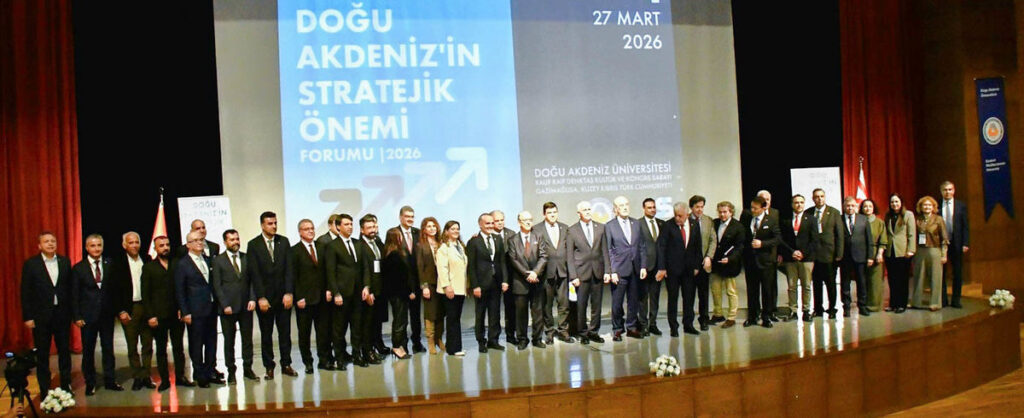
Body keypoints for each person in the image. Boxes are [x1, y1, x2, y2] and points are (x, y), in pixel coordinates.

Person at [246, 211, 297, 379]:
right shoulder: (253, 244)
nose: (274, 226)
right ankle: (269, 366)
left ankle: (286, 364)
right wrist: (260, 297)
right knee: (266, 334)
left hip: (283, 297)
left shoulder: (284, 241)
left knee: (285, 334)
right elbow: (254, 273)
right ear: (262, 225)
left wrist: (289, 292)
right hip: (265, 299)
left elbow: (289, 269)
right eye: (270, 223)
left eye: (275, 223)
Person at [20, 231, 73, 393]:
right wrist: (28, 316)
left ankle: (66, 385)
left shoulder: (65, 262)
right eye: (46, 241)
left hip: (62, 315)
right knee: (42, 354)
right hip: (41, 316)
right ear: (39, 245)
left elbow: (70, 288)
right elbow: (25, 292)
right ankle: (44, 388)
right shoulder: (31, 264)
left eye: (53, 241)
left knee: (64, 352)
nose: (50, 244)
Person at [72, 234, 123, 395]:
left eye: (99, 245)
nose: (96, 248)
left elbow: (115, 290)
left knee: (108, 349)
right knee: (88, 351)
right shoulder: (79, 268)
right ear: (87, 248)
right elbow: (74, 295)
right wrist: (77, 316)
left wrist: (118, 310)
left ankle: (110, 380)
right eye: (93, 246)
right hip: (87, 317)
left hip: (107, 315)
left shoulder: (110, 264)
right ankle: (90, 382)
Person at [141, 236, 191, 391]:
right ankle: (164, 380)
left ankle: (180, 377)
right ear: (155, 248)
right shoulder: (149, 267)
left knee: (178, 348)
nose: (165, 248)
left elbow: (183, 288)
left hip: (176, 314)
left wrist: (183, 309)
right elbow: (145, 294)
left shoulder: (177, 264)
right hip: (158, 315)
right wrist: (150, 315)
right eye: (161, 245)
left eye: (167, 245)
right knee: (161, 349)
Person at [175, 231, 224, 388]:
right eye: (195, 240)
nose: (199, 242)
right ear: (188, 244)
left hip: (210, 308)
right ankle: (199, 373)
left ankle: (210, 371)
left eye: (201, 240)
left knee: (211, 341)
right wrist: (185, 312)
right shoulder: (183, 264)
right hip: (194, 310)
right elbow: (180, 290)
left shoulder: (208, 260)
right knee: (196, 343)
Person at [210, 229, 259, 383]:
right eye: (232, 240)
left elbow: (252, 281)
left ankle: (248, 368)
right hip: (228, 309)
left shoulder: (246, 257)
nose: (235, 242)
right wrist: (224, 305)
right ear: (225, 242)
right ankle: (231, 371)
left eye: (237, 239)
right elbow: (217, 285)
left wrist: (253, 298)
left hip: (246, 306)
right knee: (229, 341)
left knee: (247, 340)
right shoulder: (218, 260)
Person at [108, 231, 155, 391]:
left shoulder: (147, 259)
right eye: (131, 242)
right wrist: (120, 311)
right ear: (124, 245)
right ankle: (137, 377)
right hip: (130, 309)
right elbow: (113, 290)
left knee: (147, 344)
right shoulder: (118, 263)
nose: (134, 245)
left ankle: (146, 375)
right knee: (132, 346)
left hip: (146, 307)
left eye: (136, 242)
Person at [324, 214, 367, 369]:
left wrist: (366, 286)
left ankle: (357, 355)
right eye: (346, 224)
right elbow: (330, 272)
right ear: (338, 226)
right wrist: (336, 293)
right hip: (342, 294)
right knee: (339, 329)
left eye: (351, 224)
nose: (350, 227)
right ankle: (340, 357)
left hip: (357, 293)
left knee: (357, 326)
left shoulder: (358, 243)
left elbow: (365, 267)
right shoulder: (332, 246)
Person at [605, 196, 648, 341]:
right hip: (619, 270)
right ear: (615, 209)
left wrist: (643, 266)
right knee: (617, 303)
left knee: (633, 301)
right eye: (621, 205)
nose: (625, 207)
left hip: (635, 268)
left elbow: (641, 246)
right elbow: (609, 250)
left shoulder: (636, 223)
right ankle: (617, 329)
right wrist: (612, 271)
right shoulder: (609, 226)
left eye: (626, 204)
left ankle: (631, 327)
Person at [566, 200, 609, 344]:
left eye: (589, 209)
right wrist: (573, 276)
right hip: (581, 273)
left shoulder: (601, 227)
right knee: (581, 306)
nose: (588, 212)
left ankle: (594, 331)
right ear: (578, 213)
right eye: (584, 210)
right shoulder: (572, 230)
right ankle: (583, 333)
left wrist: (607, 271)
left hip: (597, 271)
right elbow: (569, 256)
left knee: (597, 305)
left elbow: (604, 251)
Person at [655, 203, 701, 335]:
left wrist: (697, 265)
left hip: (689, 269)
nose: (677, 218)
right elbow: (661, 247)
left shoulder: (694, 224)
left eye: (680, 216)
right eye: (675, 215)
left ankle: (688, 325)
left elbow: (698, 246)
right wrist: (662, 267)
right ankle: (673, 327)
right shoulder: (668, 225)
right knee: (673, 299)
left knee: (689, 298)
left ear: (687, 214)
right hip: (672, 270)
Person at [466, 212, 509, 353]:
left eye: (492, 223)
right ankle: (481, 341)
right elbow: (471, 266)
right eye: (487, 223)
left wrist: (505, 280)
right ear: (480, 224)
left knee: (495, 313)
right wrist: (475, 286)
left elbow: (502, 261)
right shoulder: (473, 242)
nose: (490, 226)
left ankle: (493, 340)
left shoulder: (497, 239)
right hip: (481, 285)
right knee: (480, 314)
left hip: (496, 283)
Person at [385, 206, 426, 353]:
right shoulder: (393, 233)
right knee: (401, 317)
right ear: (400, 217)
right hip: (401, 284)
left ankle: (417, 343)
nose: (410, 219)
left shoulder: (418, 233)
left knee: (416, 316)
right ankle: (402, 345)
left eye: (412, 217)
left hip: (416, 282)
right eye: (407, 216)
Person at [291, 219, 329, 374]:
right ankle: (308, 362)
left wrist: (329, 290)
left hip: (322, 299)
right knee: (304, 334)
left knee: (323, 332)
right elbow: (293, 277)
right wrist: (298, 297)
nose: (311, 231)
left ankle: (324, 360)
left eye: (312, 228)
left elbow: (327, 271)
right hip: (304, 300)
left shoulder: (322, 247)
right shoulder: (294, 251)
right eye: (306, 229)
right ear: (300, 232)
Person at [507, 211, 548, 349]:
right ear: (519, 222)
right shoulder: (512, 240)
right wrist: (527, 275)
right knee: (521, 314)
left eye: (530, 219)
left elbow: (543, 256)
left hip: (537, 281)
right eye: (525, 220)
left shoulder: (538, 236)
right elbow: (513, 260)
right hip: (520, 282)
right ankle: (522, 339)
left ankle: (537, 339)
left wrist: (535, 273)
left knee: (538, 313)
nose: (528, 222)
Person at [740, 196, 781, 328]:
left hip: (766, 261)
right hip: (750, 261)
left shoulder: (771, 220)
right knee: (752, 290)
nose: (752, 210)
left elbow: (777, 239)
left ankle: (766, 317)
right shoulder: (747, 218)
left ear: (763, 208)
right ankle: (752, 316)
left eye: (755, 208)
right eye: (751, 207)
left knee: (767, 290)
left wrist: (762, 244)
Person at [537, 202, 573, 343]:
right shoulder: (537, 229)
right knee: (547, 305)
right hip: (546, 272)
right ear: (544, 214)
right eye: (549, 213)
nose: (552, 215)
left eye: (554, 212)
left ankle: (563, 331)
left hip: (563, 271)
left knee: (564, 304)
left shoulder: (565, 227)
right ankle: (549, 332)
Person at [778, 195, 817, 321]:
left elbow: (814, 240)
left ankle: (806, 311)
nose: (799, 205)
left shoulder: (811, 219)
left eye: (801, 202)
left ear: (804, 204)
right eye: (796, 202)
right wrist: (792, 252)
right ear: (792, 204)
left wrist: (802, 253)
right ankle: (793, 311)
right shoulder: (785, 220)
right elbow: (782, 239)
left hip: (806, 258)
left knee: (806, 286)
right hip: (790, 258)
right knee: (792, 286)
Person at [810, 188, 845, 319]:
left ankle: (832, 308)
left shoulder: (834, 212)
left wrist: (839, 254)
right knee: (816, 284)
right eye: (817, 197)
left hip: (830, 255)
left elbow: (839, 235)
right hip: (814, 256)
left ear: (825, 197)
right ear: (813, 199)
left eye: (822, 196)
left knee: (831, 284)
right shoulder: (808, 212)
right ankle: (818, 309)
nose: (819, 199)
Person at [358, 214, 389, 360]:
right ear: (362, 230)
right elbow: (362, 270)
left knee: (377, 320)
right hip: (369, 290)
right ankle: (368, 350)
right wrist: (368, 288)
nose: (373, 230)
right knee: (368, 322)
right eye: (369, 227)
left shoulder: (377, 241)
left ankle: (378, 344)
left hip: (380, 288)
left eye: (374, 227)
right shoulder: (359, 245)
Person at [709, 202, 745, 328]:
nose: (722, 214)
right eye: (720, 212)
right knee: (716, 291)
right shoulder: (715, 223)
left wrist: (730, 258)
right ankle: (718, 314)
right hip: (716, 263)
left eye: (725, 212)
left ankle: (731, 317)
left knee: (731, 291)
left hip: (730, 264)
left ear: (731, 212)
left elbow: (740, 247)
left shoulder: (738, 226)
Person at [436, 221, 468, 356]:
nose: (456, 231)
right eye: (453, 229)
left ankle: (454, 346)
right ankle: (453, 349)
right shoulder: (443, 248)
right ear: (446, 231)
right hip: (450, 289)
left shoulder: (460, 246)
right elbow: (442, 269)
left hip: (460, 288)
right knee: (452, 319)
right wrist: (447, 286)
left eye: (457, 229)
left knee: (456, 318)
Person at [382, 228, 416, 359]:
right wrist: (409, 292)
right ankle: (396, 346)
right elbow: (400, 278)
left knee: (401, 320)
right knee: (400, 321)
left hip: (396, 293)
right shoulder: (395, 255)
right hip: (398, 294)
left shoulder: (389, 253)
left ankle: (399, 346)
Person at [840, 196, 875, 317]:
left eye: (852, 206)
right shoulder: (839, 219)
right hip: (844, 257)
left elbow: (869, 239)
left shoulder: (863, 219)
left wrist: (870, 257)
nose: (850, 208)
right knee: (845, 283)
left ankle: (862, 306)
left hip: (861, 256)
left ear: (856, 207)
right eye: (848, 206)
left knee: (861, 282)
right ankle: (846, 307)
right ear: (844, 207)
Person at [912, 196, 948, 311]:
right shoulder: (917, 219)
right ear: (921, 207)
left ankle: (935, 303)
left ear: (933, 207)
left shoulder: (938, 219)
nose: (927, 207)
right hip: (920, 250)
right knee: (918, 277)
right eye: (924, 205)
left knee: (935, 278)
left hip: (934, 250)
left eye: (929, 205)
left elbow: (944, 238)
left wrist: (944, 254)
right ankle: (916, 302)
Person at [416, 217, 446, 354]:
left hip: (442, 283)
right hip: (429, 284)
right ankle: (430, 341)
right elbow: (420, 267)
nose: (432, 228)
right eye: (429, 226)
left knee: (441, 313)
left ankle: (439, 339)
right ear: (424, 229)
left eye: (434, 226)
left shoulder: (441, 243)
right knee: (430, 314)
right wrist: (424, 286)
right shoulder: (420, 245)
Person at [688, 195, 717, 330]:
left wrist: (709, 257)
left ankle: (704, 319)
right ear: (691, 207)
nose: (700, 209)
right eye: (697, 207)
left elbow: (713, 240)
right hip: (689, 265)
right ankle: (688, 322)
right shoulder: (685, 220)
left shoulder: (708, 220)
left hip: (704, 264)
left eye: (702, 207)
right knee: (689, 295)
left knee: (704, 294)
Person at [490, 210, 519, 346]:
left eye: (502, 220)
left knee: (511, 308)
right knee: (494, 309)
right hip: (493, 276)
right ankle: (493, 338)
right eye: (497, 220)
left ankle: (511, 335)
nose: (500, 222)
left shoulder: (511, 233)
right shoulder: (487, 235)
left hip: (510, 276)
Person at [939, 181, 969, 308]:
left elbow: (965, 226)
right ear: (941, 192)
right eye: (945, 190)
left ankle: (956, 300)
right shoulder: (936, 205)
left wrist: (965, 243)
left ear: (954, 190)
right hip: (941, 244)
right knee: (941, 273)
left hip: (957, 243)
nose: (947, 192)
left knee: (957, 273)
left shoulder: (961, 206)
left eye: (950, 189)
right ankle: (943, 300)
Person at [884, 193, 916, 313]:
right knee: (892, 279)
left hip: (903, 252)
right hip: (890, 251)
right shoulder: (888, 215)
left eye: (896, 201)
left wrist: (911, 249)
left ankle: (902, 304)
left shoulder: (908, 215)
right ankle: (893, 304)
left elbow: (912, 234)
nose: (894, 204)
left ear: (901, 203)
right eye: (892, 202)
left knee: (902, 279)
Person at [639, 198, 664, 336]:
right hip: (644, 266)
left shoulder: (662, 223)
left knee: (655, 297)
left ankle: (653, 324)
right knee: (643, 298)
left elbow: (664, 247)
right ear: (644, 209)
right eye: (649, 207)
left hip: (658, 267)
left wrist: (663, 267)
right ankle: (643, 325)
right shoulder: (638, 224)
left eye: (654, 207)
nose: (652, 209)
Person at [861, 199, 888, 312]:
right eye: (865, 206)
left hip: (875, 252)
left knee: (875, 281)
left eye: (870, 206)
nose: (867, 208)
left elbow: (883, 240)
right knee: (864, 280)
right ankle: (864, 304)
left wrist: (879, 254)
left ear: (873, 208)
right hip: (861, 253)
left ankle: (875, 305)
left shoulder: (879, 222)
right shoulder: (858, 221)